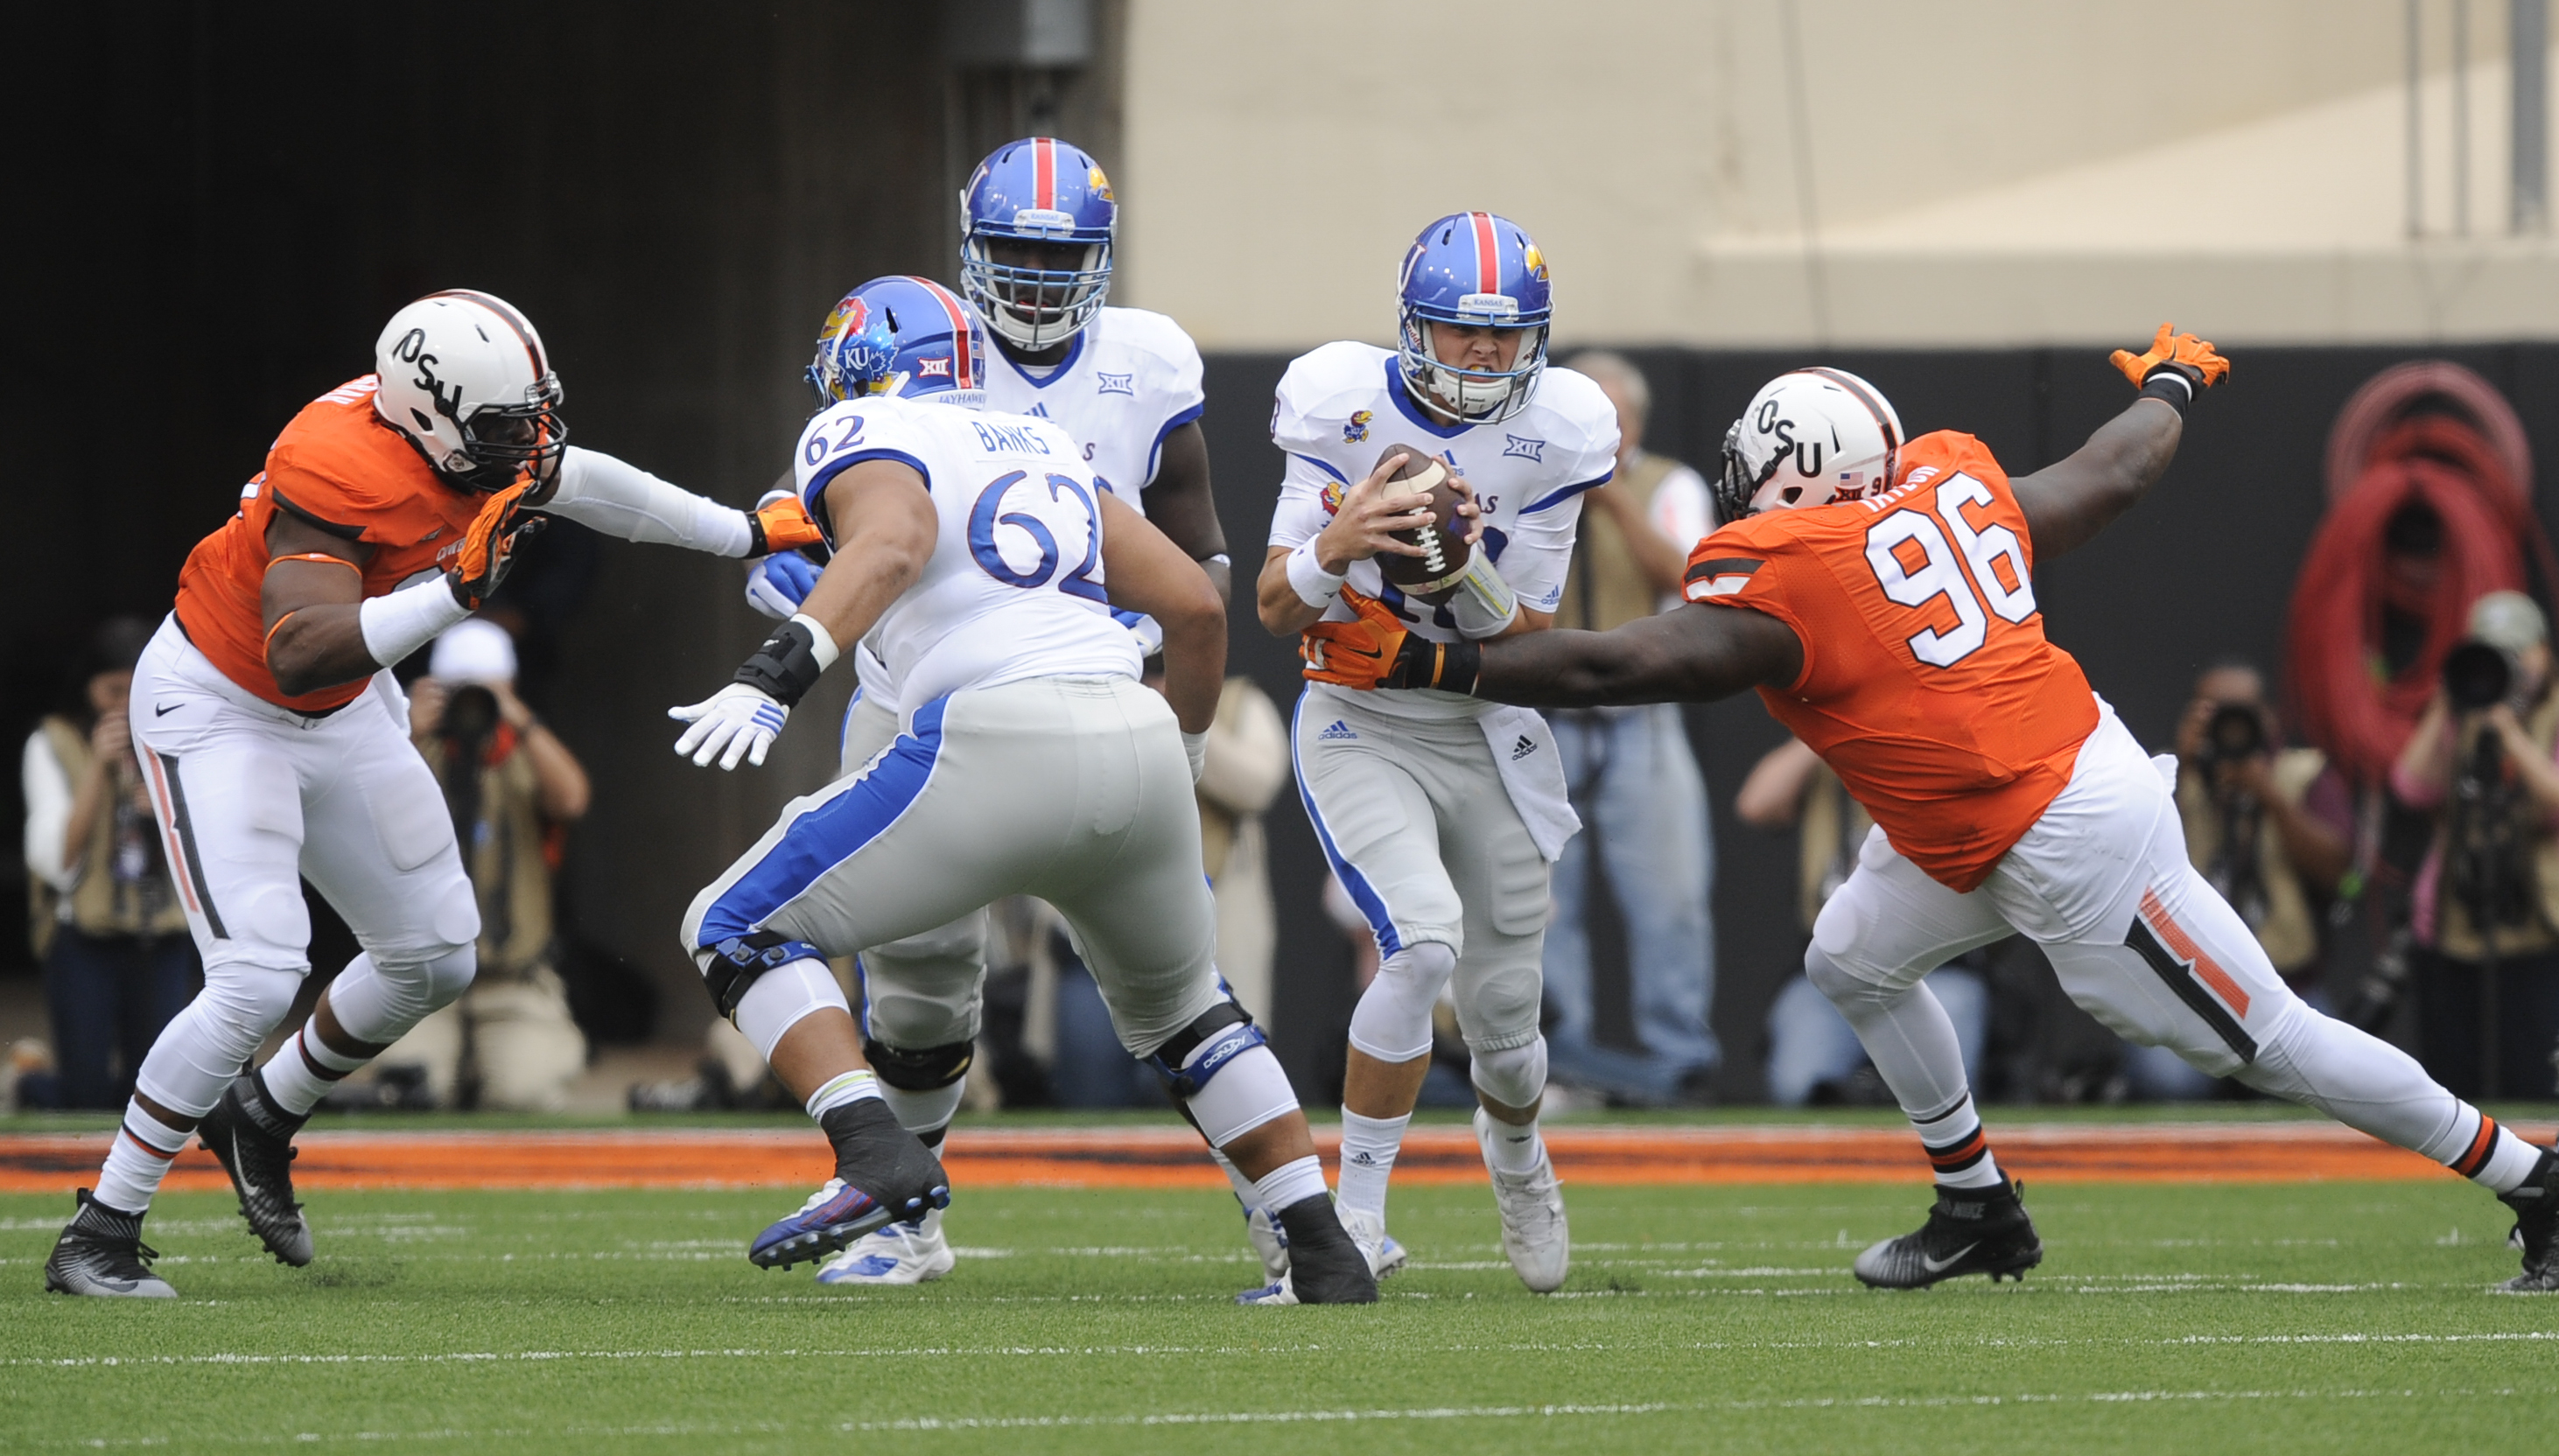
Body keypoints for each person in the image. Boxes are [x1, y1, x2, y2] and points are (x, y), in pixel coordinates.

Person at [1303, 326, 2559, 1295]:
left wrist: (1428, 662)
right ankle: (1977, 1205)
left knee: (2269, 1041)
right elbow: (2110, 472)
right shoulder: (1950, 484)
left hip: (2069, 834)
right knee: (1851, 957)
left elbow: (1615, 666)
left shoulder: (1792, 575)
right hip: (1971, 815)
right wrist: (2170, 387)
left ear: (1792, 477)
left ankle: (2532, 1179)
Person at [42, 289, 829, 1298]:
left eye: (534, 414)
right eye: (507, 425)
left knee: (436, 951)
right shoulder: (333, 463)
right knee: (257, 973)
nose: (531, 442)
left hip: (343, 705)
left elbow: (590, 484)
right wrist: (451, 593)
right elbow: (297, 649)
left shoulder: (480, 437)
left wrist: (743, 533)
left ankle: (264, 1110)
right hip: (224, 703)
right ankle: (101, 1228)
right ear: (427, 413)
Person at [670, 275, 1376, 1305]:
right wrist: (1179, 755)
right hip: (1131, 727)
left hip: (989, 735)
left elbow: (893, 541)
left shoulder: (867, 429)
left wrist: (774, 673)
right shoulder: (1044, 443)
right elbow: (1194, 605)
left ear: (860, 368)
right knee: (1188, 1012)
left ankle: (871, 1149)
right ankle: (1320, 1247)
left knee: (729, 924)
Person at [737, 137, 1249, 1288]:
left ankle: (1284, 1215)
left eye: (1061, 256)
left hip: (1092, 686)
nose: (1037, 278)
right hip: (911, 690)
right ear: (971, 251)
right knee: (917, 970)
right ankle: (908, 1222)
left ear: (1102, 259)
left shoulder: (1147, 362)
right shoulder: (919, 333)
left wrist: (1159, 664)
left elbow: (1201, 552)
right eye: (1016, 252)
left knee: (1178, 980)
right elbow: (803, 506)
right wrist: (786, 566)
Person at [1259, 212, 1616, 1294]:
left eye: (1505, 334)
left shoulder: (1560, 428)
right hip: (1360, 720)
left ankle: (1516, 1149)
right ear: (1412, 327)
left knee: (1504, 1019)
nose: (1483, 350)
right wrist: (1338, 543)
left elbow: (1531, 636)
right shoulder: (1340, 402)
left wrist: (1457, 572)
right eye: (1461, 328)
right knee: (1417, 946)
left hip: (1480, 726)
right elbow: (1275, 605)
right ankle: (1355, 1221)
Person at [1539, 350, 1720, 1103]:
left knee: (1669, 897)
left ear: (1635, 425)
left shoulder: (1669, 484)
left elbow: (1689, 577)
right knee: (1547, 905)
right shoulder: (1530, 482)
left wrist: (1612, 499)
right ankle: (1564, 1061)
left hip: (1640, 718)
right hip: (1548, 718)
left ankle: (1680, 1060)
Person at [368, 620, 592, 1110]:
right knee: (409, 1090)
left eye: (483, 693)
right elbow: (355, 811)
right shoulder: (411, 751)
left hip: (512, 976)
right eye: (458, 692)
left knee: (524, 1093)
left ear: (509, 688)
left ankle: (489, 1067)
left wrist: (516, 715)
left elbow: (572, 799)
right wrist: (404, 728)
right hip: (422, 977)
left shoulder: (524, 754)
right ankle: (455, 1071)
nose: (470, 705)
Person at [2133, 661, 2352, 1098]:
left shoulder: (2303, 772)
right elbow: (2128, 868)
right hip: (2185, 992)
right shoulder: (2163, 778)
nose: (2229, 727)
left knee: (2328, 1081)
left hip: (2287, 989)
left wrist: (2271, 797)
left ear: (2267, 717)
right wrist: (2184, 772)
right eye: (2214, 713)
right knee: (2167, 1081)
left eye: (2241, 713)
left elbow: (2337, 873)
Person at [1736, 736, 1989, 1106]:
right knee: (1800, 1087)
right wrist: (1827, 731)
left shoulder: (1933, 745)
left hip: (1937, 964)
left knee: (1941, 1090)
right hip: (1834, 968)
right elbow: (1756, 805)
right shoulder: (1826, 750)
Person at [20, 618, 198, 1110]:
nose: (123, 705)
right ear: (88, 687)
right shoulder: (54, 741)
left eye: (134, 691)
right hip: (84, 933)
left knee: (153, 1090)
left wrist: (165, 808)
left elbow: (216, 842)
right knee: (86, 1094)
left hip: (162, 930)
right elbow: (56, 861)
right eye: (112, 691)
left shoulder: (182, 736)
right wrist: (99, 768)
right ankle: (28, 1081)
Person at [2391, 591, 2559, 1100]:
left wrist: (2509, 731)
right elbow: (2411, 788)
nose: (2511, 666)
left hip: (2538, 931)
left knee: (2532, 1082)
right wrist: (2447, 703)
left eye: (2519, 652)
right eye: (2494, 652)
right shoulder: (2462, 713)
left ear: (2544, 651)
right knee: (2454, 1085)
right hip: (2452, 927)